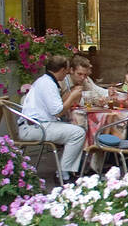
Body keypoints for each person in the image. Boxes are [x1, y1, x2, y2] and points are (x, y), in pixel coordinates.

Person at [17, 54, 87, 185]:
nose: (66, 74)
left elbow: (55, 108)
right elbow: (58, 112)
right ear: (61, 70)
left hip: (36, 125)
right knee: (78, 133)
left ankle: (69, 171)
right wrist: (72, 97)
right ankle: (63, 174)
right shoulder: (48, 84)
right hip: (35, 128)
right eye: (66, 70)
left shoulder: (44, 81)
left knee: (75, 129)